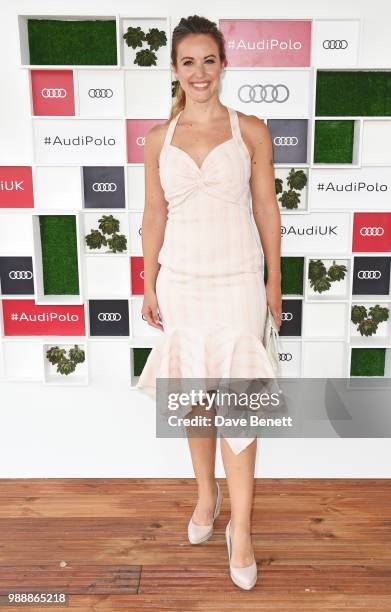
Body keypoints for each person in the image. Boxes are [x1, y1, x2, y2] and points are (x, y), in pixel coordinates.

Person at [135, 14, 282, 590]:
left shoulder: (251, 130)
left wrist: (273, 279)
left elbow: (267, 208)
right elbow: (154, 214)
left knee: (240, 406)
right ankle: (206, 496)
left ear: (224, 64)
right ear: (175, 69)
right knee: (194, 397)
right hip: (183, 282)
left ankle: (240, 530)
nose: (200, 72)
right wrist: (147, 282)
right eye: (188, 62)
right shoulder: (157, 139)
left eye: (210, 60)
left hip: (238, 279)